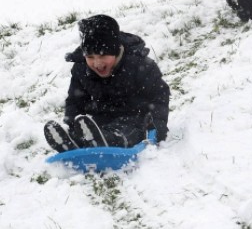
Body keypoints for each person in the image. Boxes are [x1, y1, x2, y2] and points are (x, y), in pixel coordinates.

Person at [44, 14, 170, 152]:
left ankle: (108, 141)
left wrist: (158, 126)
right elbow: (75, 100)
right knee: (90, 128)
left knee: (128, 130)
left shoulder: (139, 65)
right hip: (101, 118)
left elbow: (159, 96)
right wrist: (71, 123)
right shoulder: (81, 68)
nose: (97, 63)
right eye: (90, 57)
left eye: (103, 56)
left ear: (115, 51)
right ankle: (73, 140)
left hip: (135, 116)